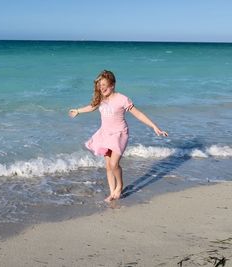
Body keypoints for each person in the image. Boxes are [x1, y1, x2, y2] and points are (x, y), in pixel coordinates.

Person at [69, 70, 168, 202]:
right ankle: (112, 192)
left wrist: (154, 126)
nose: (102, 87)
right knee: (108, 165)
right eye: (100, 85)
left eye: (104, 84)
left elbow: (138, 114)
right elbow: (91, 107)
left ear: (112, 85)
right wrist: (78, 111)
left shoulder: (122, 99)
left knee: (114, 163)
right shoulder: (101, 99)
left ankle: (119, 186)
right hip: (105, 134)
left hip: (119, 134)